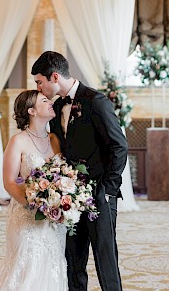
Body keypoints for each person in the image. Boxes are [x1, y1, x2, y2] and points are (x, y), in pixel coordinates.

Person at [31, 51, 128, 291]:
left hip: (99, 194)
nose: (38, 88)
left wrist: (108, 190)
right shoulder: (56, 107)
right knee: (73, 258)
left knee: (105, 257)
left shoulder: (96, 101)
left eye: (39, 82)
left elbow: (119, 146)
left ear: (54, 77)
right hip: (69, 196)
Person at [0, 90, 67, 291]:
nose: (50, 103)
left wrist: (59, 204)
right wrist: (36, 206)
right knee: (25, 266)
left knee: (52, 264)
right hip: (26, 215)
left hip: (54, 219)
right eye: (44, 101)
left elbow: (62, 174)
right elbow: (9, 182)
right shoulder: (18, 141)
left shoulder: (55, 139)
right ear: (32, 111)